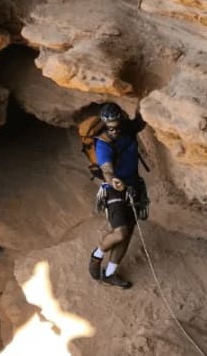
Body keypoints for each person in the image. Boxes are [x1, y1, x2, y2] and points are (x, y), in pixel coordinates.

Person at [87, 102, 147, 289]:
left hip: (134, 186)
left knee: (127, 234)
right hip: (114, 188)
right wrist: (113, 180)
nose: (113, 131)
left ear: (121, 120)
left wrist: (143, 100)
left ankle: (110, 274)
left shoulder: (129, 128)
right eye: (109, 127)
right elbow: (106, 169)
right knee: (120, 232)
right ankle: (97, 255)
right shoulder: (103, 143)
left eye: (116, 126)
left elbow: (142, 118)